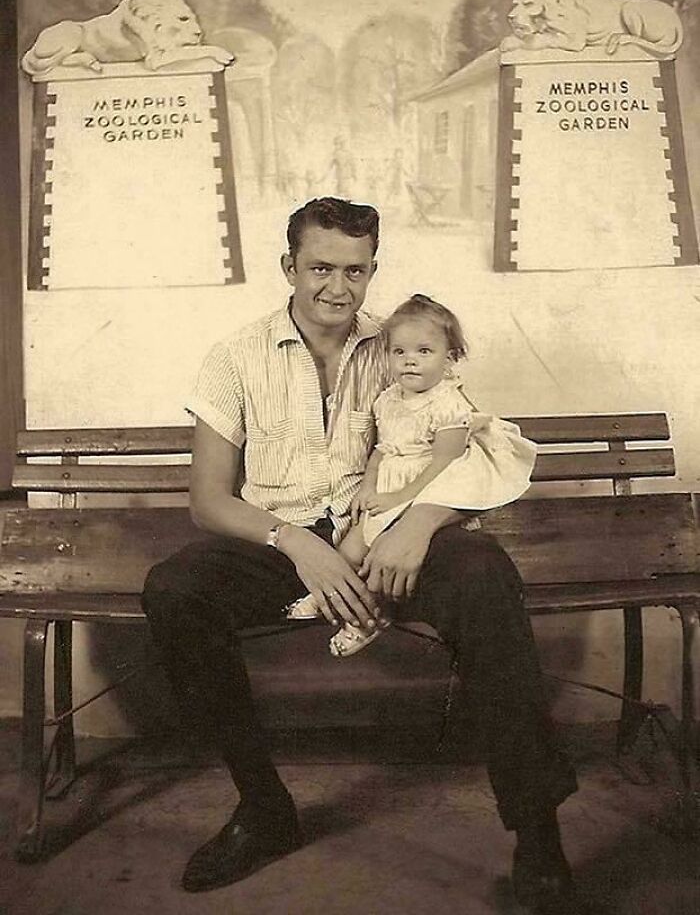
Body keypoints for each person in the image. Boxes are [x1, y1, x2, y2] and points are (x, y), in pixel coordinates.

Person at [141, 197, 578, 911]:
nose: (337, 288)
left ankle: (537, 831)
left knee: (484, 573)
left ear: (372, 271)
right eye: (319, 268)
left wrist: (416, 528)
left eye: (355, 270)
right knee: (175, 588)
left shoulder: (402, 345)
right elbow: (208, 501)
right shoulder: (234, 356)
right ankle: (263, 807)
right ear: (289, 266)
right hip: (284, 546)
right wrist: (297, 545)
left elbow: (470, 445)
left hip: (387, 536)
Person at [286, 293, 538, 660]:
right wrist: (370, 490)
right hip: (390, 492)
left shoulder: (448, 404)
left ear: (450, 358)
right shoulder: (388, 400)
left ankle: (368, 618)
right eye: (399, 352)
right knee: (348, 549)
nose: (409, 361)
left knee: (378, 560)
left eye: (423, 351)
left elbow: (445, 463)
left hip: (427, 494)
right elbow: (382, 450)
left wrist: (400, 498)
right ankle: (332, 599)